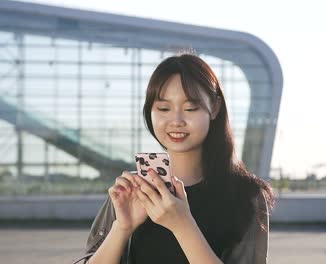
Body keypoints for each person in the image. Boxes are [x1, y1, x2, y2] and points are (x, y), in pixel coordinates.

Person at [82, 53, 275, 264]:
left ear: (215, 108)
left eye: (190, 108)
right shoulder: (133, 191)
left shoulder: (246, 196)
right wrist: (122, 227)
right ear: (150, 111)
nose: (176, 121)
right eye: (163, 108)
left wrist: (182, 225)